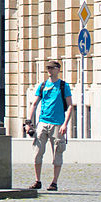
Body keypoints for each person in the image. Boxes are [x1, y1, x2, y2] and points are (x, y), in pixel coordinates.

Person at [26, 59, 73, 191]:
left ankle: (54, 182)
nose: (49, 71)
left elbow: (70, 106)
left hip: (57, 124)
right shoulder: (42, 86)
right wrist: (28, 122)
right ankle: (37, 180)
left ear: (58, 69)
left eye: (52, 68)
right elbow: (34, 104)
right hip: (43, 122)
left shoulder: (63, 86)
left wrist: (65, 124)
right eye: (48, 69)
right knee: (37, 152)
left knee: (57, 153)